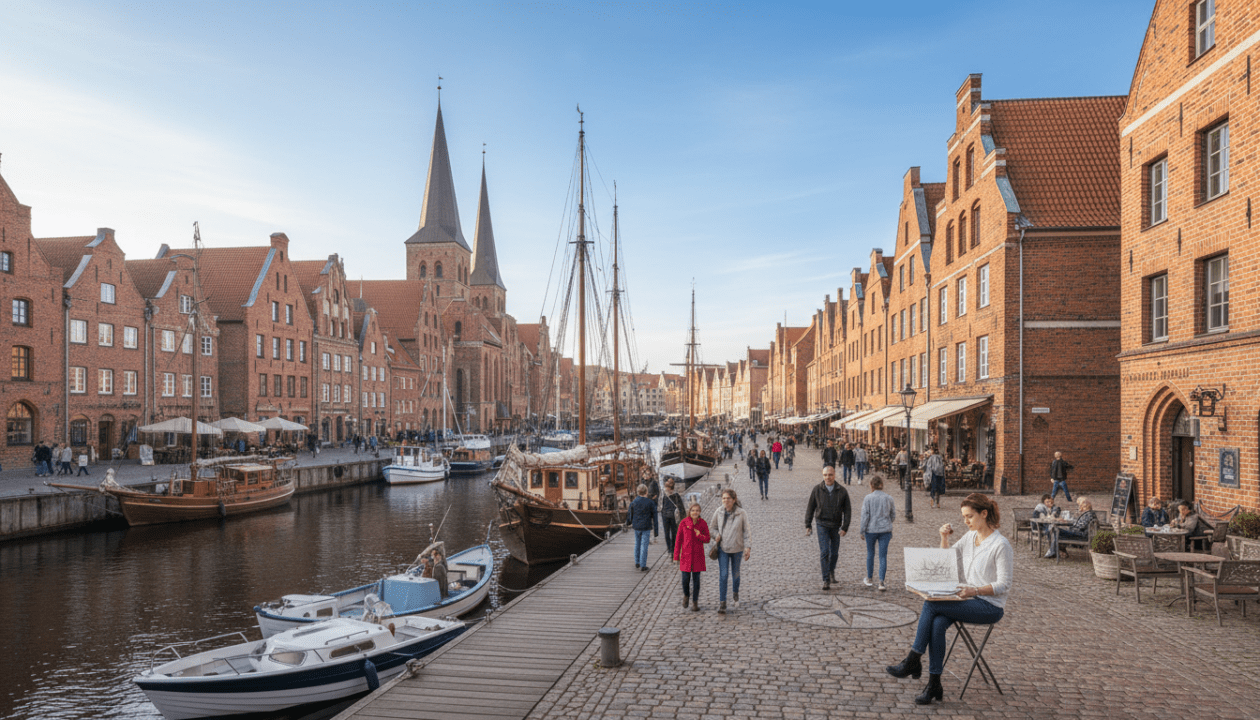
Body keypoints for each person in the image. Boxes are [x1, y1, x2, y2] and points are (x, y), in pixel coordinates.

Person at [886, 493, 1012, 705]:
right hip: (966, 600)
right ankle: (934, 684)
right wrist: (944, 538)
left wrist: (975, 591)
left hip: (989, 606)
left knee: (931, 604)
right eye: (963, 517)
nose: (965, 521)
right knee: (937, 624)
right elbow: (947, 561)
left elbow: (1004, 585)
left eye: (969, 516)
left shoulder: (1000, 545)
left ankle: (913, 659)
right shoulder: (970, 537)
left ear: (984, 514)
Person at [805, 465, 851, 590]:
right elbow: (810, 507)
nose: (828, 477)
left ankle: (831, 571)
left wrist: (845, 527)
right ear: (822, 475)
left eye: (830, 475)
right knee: (825, 551)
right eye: (825, 475)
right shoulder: (817, 489)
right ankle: (826, 579)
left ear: (834, 475)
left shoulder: (842, 491)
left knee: (834, 553)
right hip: (822, 524)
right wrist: (808, 524)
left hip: (836, 525)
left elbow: (847, 511)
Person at [710, 488, 751, 614]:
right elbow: (712, 528)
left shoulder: (741, 513)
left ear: (734, 500)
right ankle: (722, 603)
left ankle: (735, 593)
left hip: (737, 548)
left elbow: (746, 532)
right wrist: (716, 535)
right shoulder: (719, 512)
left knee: (736, 574)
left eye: (728, 498)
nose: (725, 501)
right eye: (723, 498)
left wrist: (747, 547)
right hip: (723, 548)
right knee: (723, 575)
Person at [860, 476, 896, 590]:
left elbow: (865, 516)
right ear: (882, 484)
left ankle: (870, 578)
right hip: (885, 530)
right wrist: (888, 522)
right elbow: (893, 514)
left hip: (871, 530)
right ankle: (881, 582)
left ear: (871, 485)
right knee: (883, 556)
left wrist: (862, 530)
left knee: (870, 553)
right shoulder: (889, 498)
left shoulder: (868, 498)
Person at [674, 502, 710, 611]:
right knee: (685, 579)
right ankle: (686, 595)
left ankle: (695, 602)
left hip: (697, 556)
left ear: (699, 512)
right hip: (686, 556)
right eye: (693, 510)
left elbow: (707, 539)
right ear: (689, 511)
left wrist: (699, 535)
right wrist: (676, 556)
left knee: (696, 580)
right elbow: (678, 540)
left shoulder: (702, 523)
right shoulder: (683, 523)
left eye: (697, 510)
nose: (695, 512)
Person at [626, 484, 658, 571]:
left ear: (637, 492)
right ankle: (643, 565)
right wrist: (656, 531)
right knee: (644, 545)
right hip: (646, 526)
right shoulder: (650, 503)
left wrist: (627, 523)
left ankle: (637, 562)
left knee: (637, 544)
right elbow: (655, 517)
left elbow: (630, 515)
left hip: (636, 526)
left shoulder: (633, 502)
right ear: (646, 492)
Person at [659, 478, 685, 556]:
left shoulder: (675, 496)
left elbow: (681, 507)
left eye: (668, 490)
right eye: (666, 489)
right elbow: (661, 506)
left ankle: (672, 549)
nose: (666, 491)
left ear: (672, 489)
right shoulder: (665, 495)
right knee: (668, 533)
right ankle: (670, 549)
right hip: (667, 516)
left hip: (672, 517)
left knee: (673, 533)